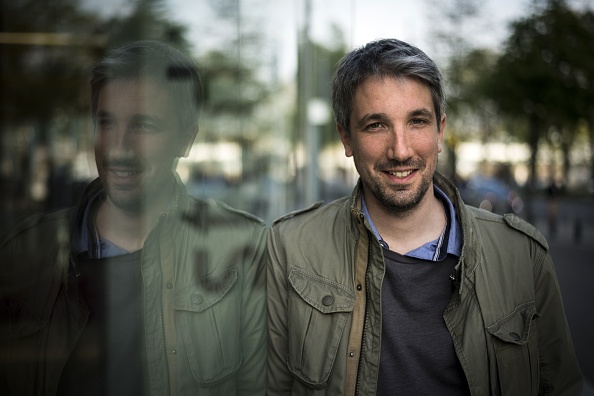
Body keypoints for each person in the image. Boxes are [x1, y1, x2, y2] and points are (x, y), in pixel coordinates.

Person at [267, 38, 582, 395]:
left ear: (440, 132)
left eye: (417, 121)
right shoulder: (291, 247)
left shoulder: (522, 254)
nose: (400, 150)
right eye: (376, 125)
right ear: (346, 137)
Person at [0, 40, 267, 396]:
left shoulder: (244, 247)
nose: (120, 148)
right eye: (106, 123)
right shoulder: (25, 250)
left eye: (143, 126)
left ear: (185, 140)